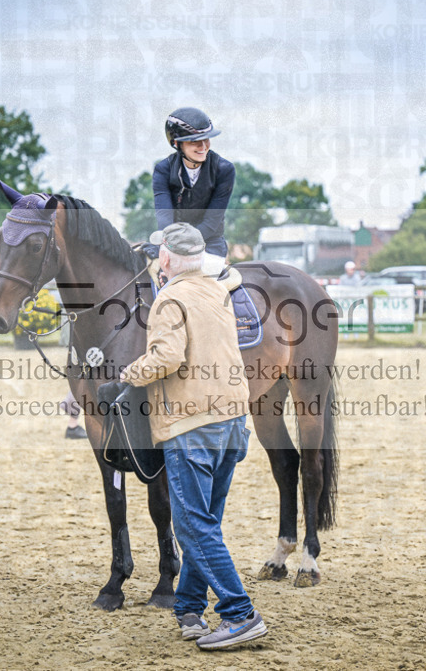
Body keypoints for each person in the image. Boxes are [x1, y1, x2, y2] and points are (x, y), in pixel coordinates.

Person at [120, 222, 267, 650]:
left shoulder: (169, 299)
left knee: (193, 527)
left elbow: (166, 357)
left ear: (164, 258)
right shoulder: (218, 291)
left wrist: (130, 374)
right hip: (233, 423)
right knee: (208, 523)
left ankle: (240, 614)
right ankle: (187, 604)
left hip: (192, 426)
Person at [151, 107, 235, 277]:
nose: (203, 147)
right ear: (176, 143)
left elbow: (211, 222)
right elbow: (165, 219)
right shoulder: (163, 170)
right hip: (172, 243)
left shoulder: (224, 170)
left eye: (206, 139)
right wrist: (176, 249)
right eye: (194, 141)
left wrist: (187, 250)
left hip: (209, 243)